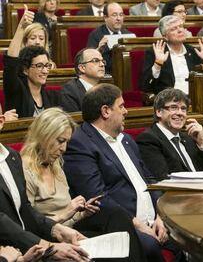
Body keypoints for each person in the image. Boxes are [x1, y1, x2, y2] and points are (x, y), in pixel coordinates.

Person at [63, 84, 176, 262]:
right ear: (106, 111)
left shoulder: (126, 140)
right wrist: (136, 224)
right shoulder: (80, 144)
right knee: (150, 246)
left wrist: (160, 216)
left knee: (191, 239)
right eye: (121, 106)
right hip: (121, 226)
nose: (126, 111)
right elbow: (97, 196)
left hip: (154, 221)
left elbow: (149, 179)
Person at [21, 108, 147, 262]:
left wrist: (81, 213)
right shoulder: (24, 170)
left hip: (70, 230)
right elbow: (27, 225)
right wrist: (66, 213)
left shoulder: (55, 165)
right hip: (48, 239)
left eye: (67, 142)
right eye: (60, 141)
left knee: (117, 217)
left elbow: (69, 215)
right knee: (116, 253)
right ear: (43, 135)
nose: (64, 149)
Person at [0, 112, 91, 261]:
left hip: (27, 248)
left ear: (1, 121)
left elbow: (25, 210)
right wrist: (48, 246)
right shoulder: (24, 162)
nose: (63, 148)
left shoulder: (12, 157)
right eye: (60, 140)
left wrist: (56, 230)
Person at [136, 88, 203, 180]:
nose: (180, 113)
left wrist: (202, 144)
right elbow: (163, 179)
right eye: (173, 107)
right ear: (159, 112)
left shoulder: (188, 138)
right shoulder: (148, 139)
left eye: (183, 109)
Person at [141, 15, 203, 96]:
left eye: (181, 26)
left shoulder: (193, 51)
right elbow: (146, 86)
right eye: (173, 29)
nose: (180, 30)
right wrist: (158, 63)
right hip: (169, 99)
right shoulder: (155, 52)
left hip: (195, 98)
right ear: (165, 36)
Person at [86, 2, 134, 74]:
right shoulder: (96, 35)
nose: (118, 18)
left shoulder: (129, 35)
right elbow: (89, 62)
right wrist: (98, 50)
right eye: (114, 15)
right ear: (105, 18)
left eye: (121, 15)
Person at [61, 48, 105, 112]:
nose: (102, 64)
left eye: (103, 61)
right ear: (82, 68)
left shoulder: (105, 89)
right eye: (95, 61)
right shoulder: (69, 91)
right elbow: (74, 120)